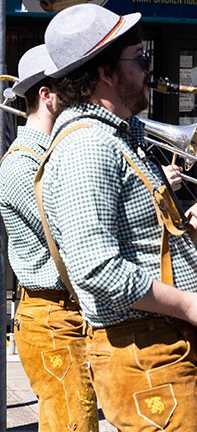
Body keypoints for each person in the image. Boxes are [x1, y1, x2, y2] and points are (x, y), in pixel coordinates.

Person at [38, 3, 197, 431]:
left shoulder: (116, 138)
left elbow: (146, 246)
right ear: (105, 72)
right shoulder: (89, 148)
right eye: (140, 59)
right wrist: (194, 306)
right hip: (144, 349)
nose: (150, 69)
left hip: (157, 344)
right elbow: (95, 268)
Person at [0, 45, 100, 432]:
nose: (82, 98)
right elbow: (73, 238)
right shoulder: (23, 163)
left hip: (68, 312)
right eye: (72, 90)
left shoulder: (57, 156)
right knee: (74, 426)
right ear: (47, 95)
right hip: (50, 316)